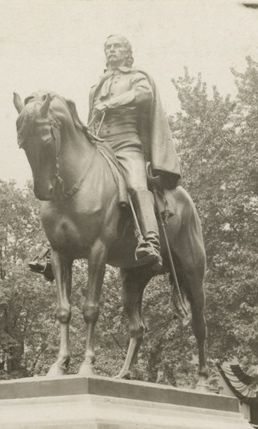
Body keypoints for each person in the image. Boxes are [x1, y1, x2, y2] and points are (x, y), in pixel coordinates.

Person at [87, 34, 181, 269]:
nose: (111, 50)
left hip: (127, 145)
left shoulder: (136, 77)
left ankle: (150, 240)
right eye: (107, 47)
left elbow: (144, 95)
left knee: (137, 186)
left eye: (116, 46)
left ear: (127, 52)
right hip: (100, 147)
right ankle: (53, 249)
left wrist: (110, 103)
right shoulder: (98, 84)